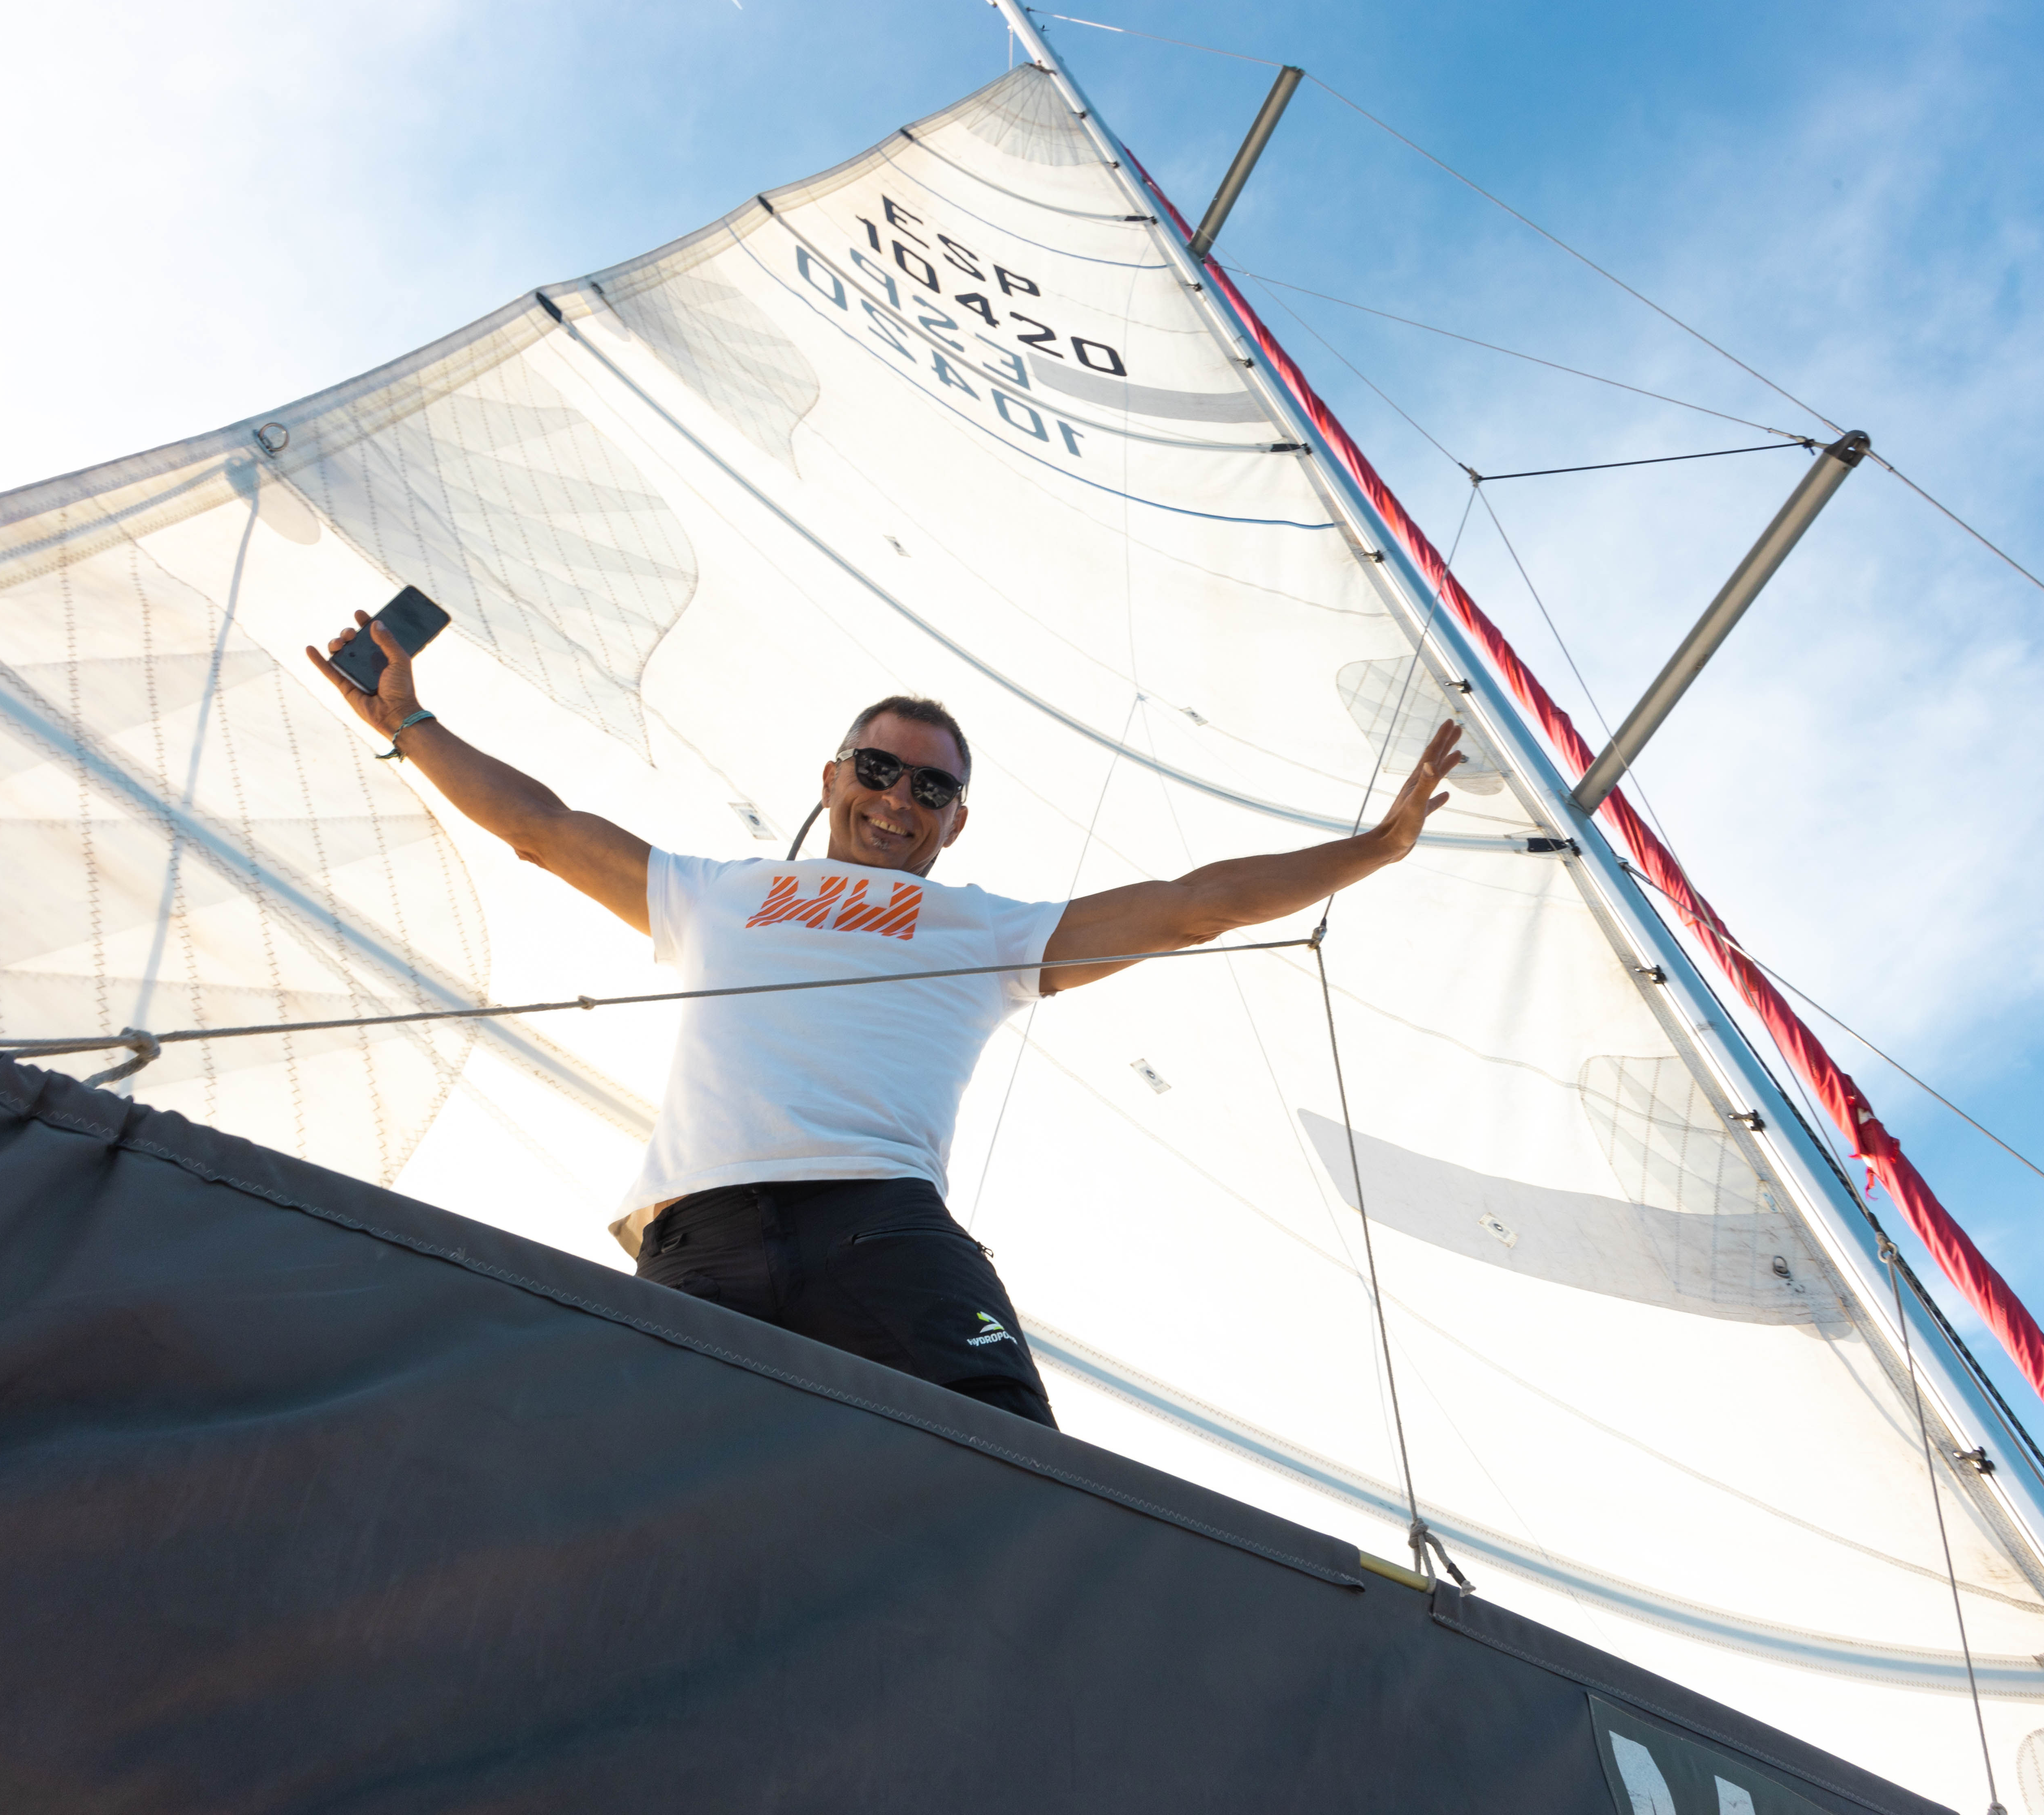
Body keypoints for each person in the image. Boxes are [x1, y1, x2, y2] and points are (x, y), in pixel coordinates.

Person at [308, 610, 1464, 1428]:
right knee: (643, 1480)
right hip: (699, 1236)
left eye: (931, 788)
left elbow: (1188, 906)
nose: (898, 798)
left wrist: (1376, 848)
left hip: (885, 1227)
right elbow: (546, 829)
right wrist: (413, 724)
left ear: (955, 823)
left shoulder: (988, 930)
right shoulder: (722, 892)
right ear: (832, 777)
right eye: (878, 768)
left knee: (1006, 1468)